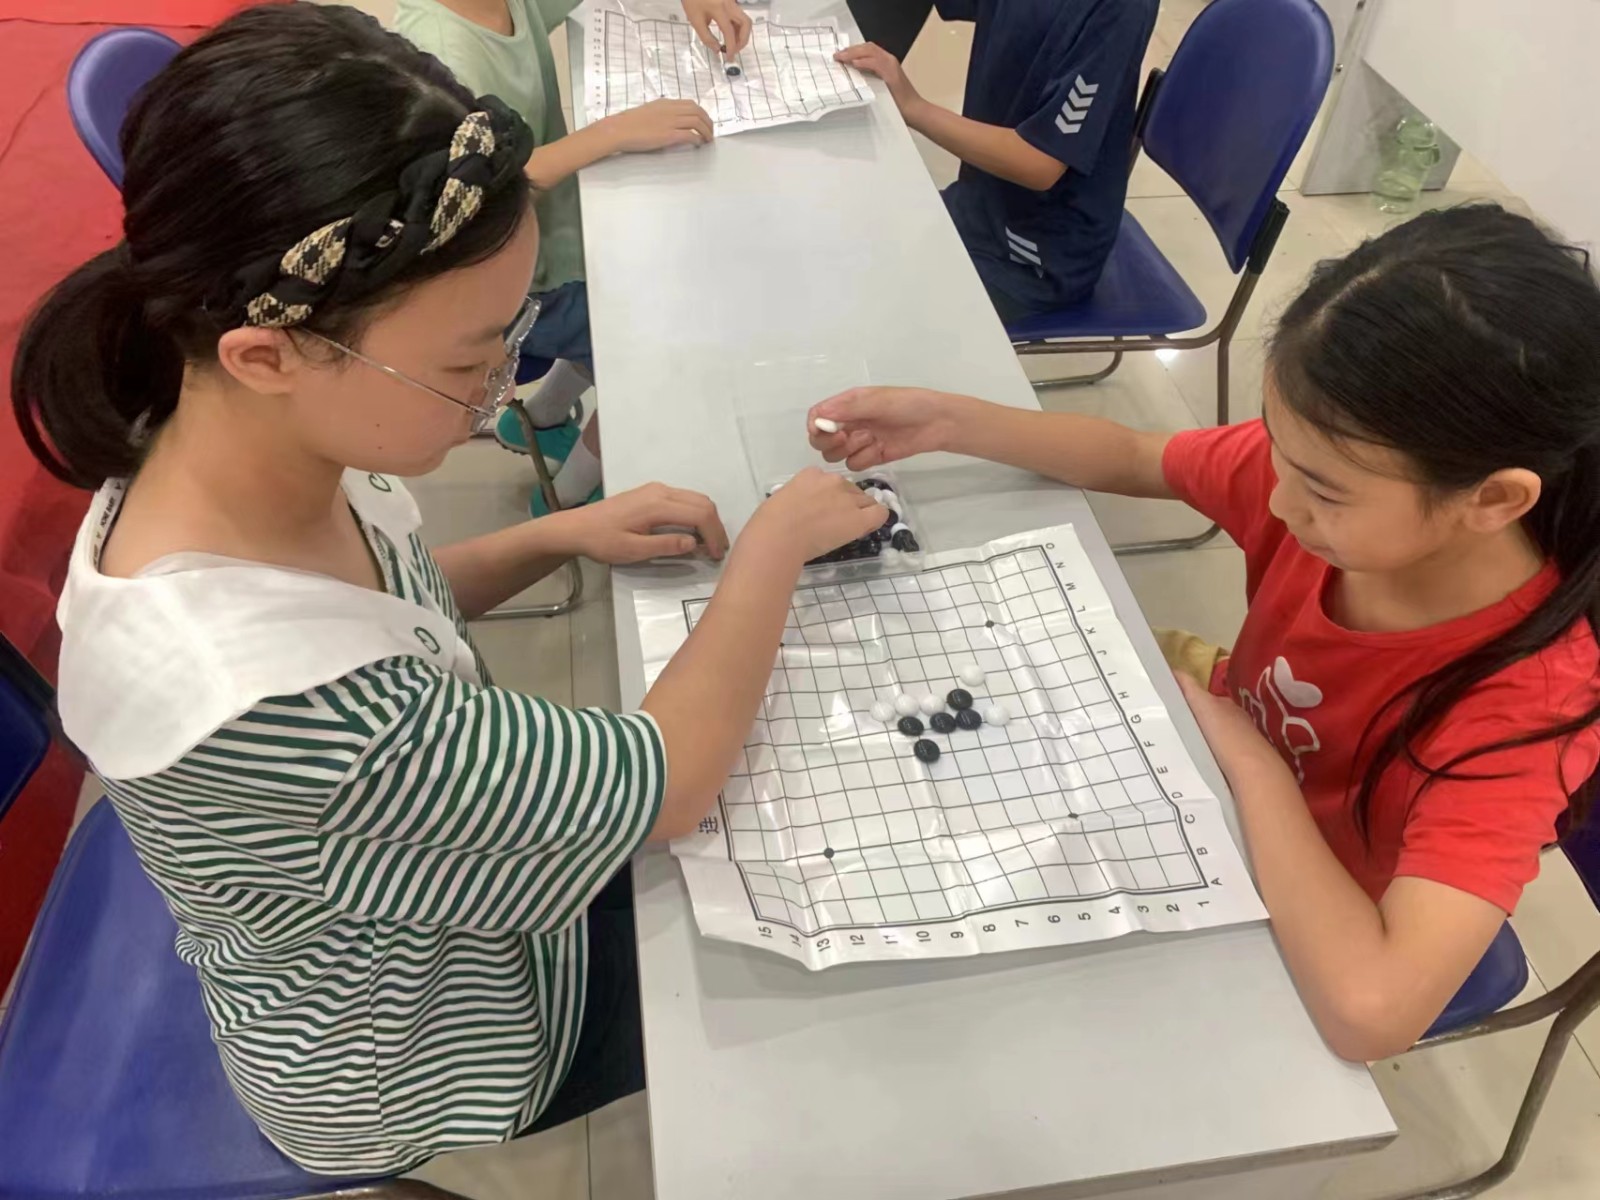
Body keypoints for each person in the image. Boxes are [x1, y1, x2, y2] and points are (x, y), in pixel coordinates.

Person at [12, 2, 883, 1173]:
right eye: (471, 363)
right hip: (427, 1050)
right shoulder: (292, 710)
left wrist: (558, 533)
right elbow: (667, 782)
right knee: (840, 974)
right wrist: (773, 545)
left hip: (396, 913)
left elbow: (387, 605)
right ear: (269, 354)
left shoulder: (227, 455)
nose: (499, 393)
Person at [805, 204, 1600, 1061]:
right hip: (1215, 762)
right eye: (1281, 455)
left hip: (1310, 906)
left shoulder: (1529, 707)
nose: (1278, 501)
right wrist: (949, 422)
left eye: (1322, 490)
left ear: (1493, 498)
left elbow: (1371, 1014)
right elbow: (1138, 456)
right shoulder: (1332, 474)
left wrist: (1251, 761)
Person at [395, 0, 753, 512]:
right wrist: (612, 133)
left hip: (556, 241)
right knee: (664, 352)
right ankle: (567, 501)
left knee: (614, 313)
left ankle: (541, 418)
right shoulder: (445, 52)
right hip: (523, 281)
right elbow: (479, 196)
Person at [838, 0, 1157, 323]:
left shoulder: (1117, 9)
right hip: (978, 205)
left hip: (1035, 255)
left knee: (857, 305)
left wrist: (914, 108)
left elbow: (1039, 162)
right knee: (842, 240)